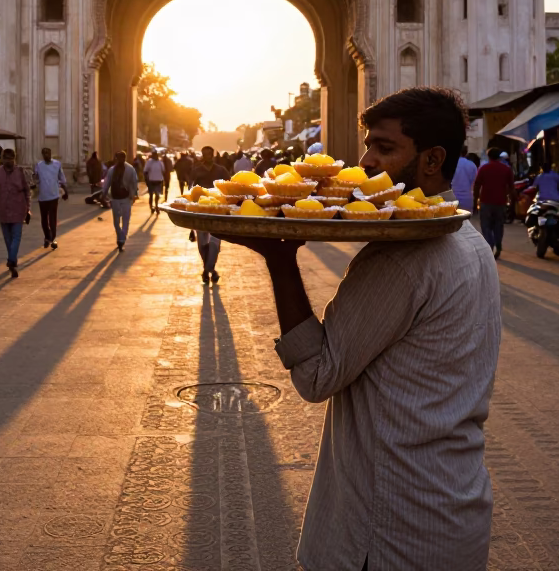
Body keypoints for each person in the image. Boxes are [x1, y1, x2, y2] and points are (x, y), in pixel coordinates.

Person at [221, 86, 500, 570]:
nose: (365, 160)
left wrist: (280, 259)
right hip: (453, 507)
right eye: (368, 144)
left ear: (432, 160)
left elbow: (316, 376)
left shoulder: (405, 257)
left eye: (385, 148)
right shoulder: (469, 241)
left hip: (389, 526)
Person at [0, 148, 31, 278]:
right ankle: (12, 260)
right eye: (6, 158)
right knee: (8, 239)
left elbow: (27, 191)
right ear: (2, 159)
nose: (9, 161)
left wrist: (28, 208)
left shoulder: (20, 173)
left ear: (14, 159)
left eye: (11, 158)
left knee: (16, 237)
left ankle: (12, 261)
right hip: (3, 211)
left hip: (18, 210)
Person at [190, 145, 230, 283]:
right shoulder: (197, 171)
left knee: (214, 243)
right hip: (200, 210)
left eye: (209, 154)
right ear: (202, 155)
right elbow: (191, 191)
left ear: (212, 155)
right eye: (204, 154)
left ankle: (207, 271)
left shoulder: (221, 170)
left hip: (216, 210)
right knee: (202, 245)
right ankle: (210, 270)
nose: (207, 157)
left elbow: (228, 187)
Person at [472, 147, 515, 260]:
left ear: (489, 156)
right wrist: (512, 202)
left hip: (486, 201)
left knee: (486, 226)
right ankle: (498, 245)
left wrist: (475, 199)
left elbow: (477, 185)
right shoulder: (506, 169)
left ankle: (489, 245)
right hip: (500, 202)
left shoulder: (483, 168)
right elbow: (511, 187)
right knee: (498, 225)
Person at [102, 151, 138, 252]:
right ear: (116, 159)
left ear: (125, 158)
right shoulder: (112, 170)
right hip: (115, 198)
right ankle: (120, 236)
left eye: (122, 158)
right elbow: (107, 182)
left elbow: (134, 182)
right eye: (118, 158)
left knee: (126, 220)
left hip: (126, 198)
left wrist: (134, 195)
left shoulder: (130, 169)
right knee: (116, 222)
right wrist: (103, 194)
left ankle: (122, 239)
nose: (120, 160)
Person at [33, 148, 68, 249]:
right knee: (44, 218)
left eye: (47, 153)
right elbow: (35, 178)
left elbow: (62, 178)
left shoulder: (57, 164)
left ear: (50, 153)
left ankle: (53, 238)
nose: (46, 155)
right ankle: (47, 236)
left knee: (52, 218)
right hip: (43, 196)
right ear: (42, 155)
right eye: (44, 153)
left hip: (54, 195)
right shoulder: (39, 165)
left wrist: (66, 191)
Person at [451, 145, 478, 211]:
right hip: (467, 198)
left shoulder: (451, 164)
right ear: (466, 153)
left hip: (452, 197)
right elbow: (474, 181)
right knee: (466, 220)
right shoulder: (472, 165)